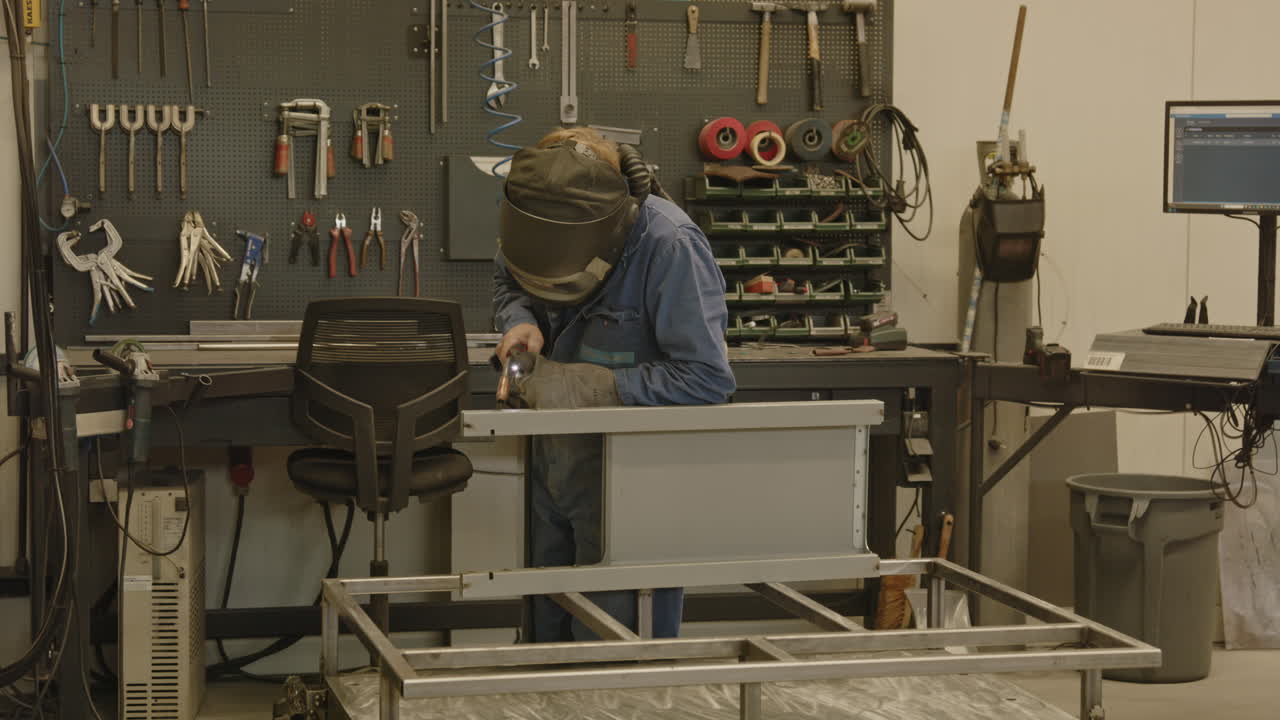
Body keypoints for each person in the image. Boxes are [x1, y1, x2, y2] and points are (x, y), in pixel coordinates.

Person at [492, 127, 736, 642]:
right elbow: (509, 279)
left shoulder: (669, 245)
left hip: (628, 482)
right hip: (552, 465)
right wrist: (519, 320)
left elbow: (708, 379)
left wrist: (582, 388)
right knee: (543, 637)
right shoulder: (538, 216)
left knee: (613, 651)